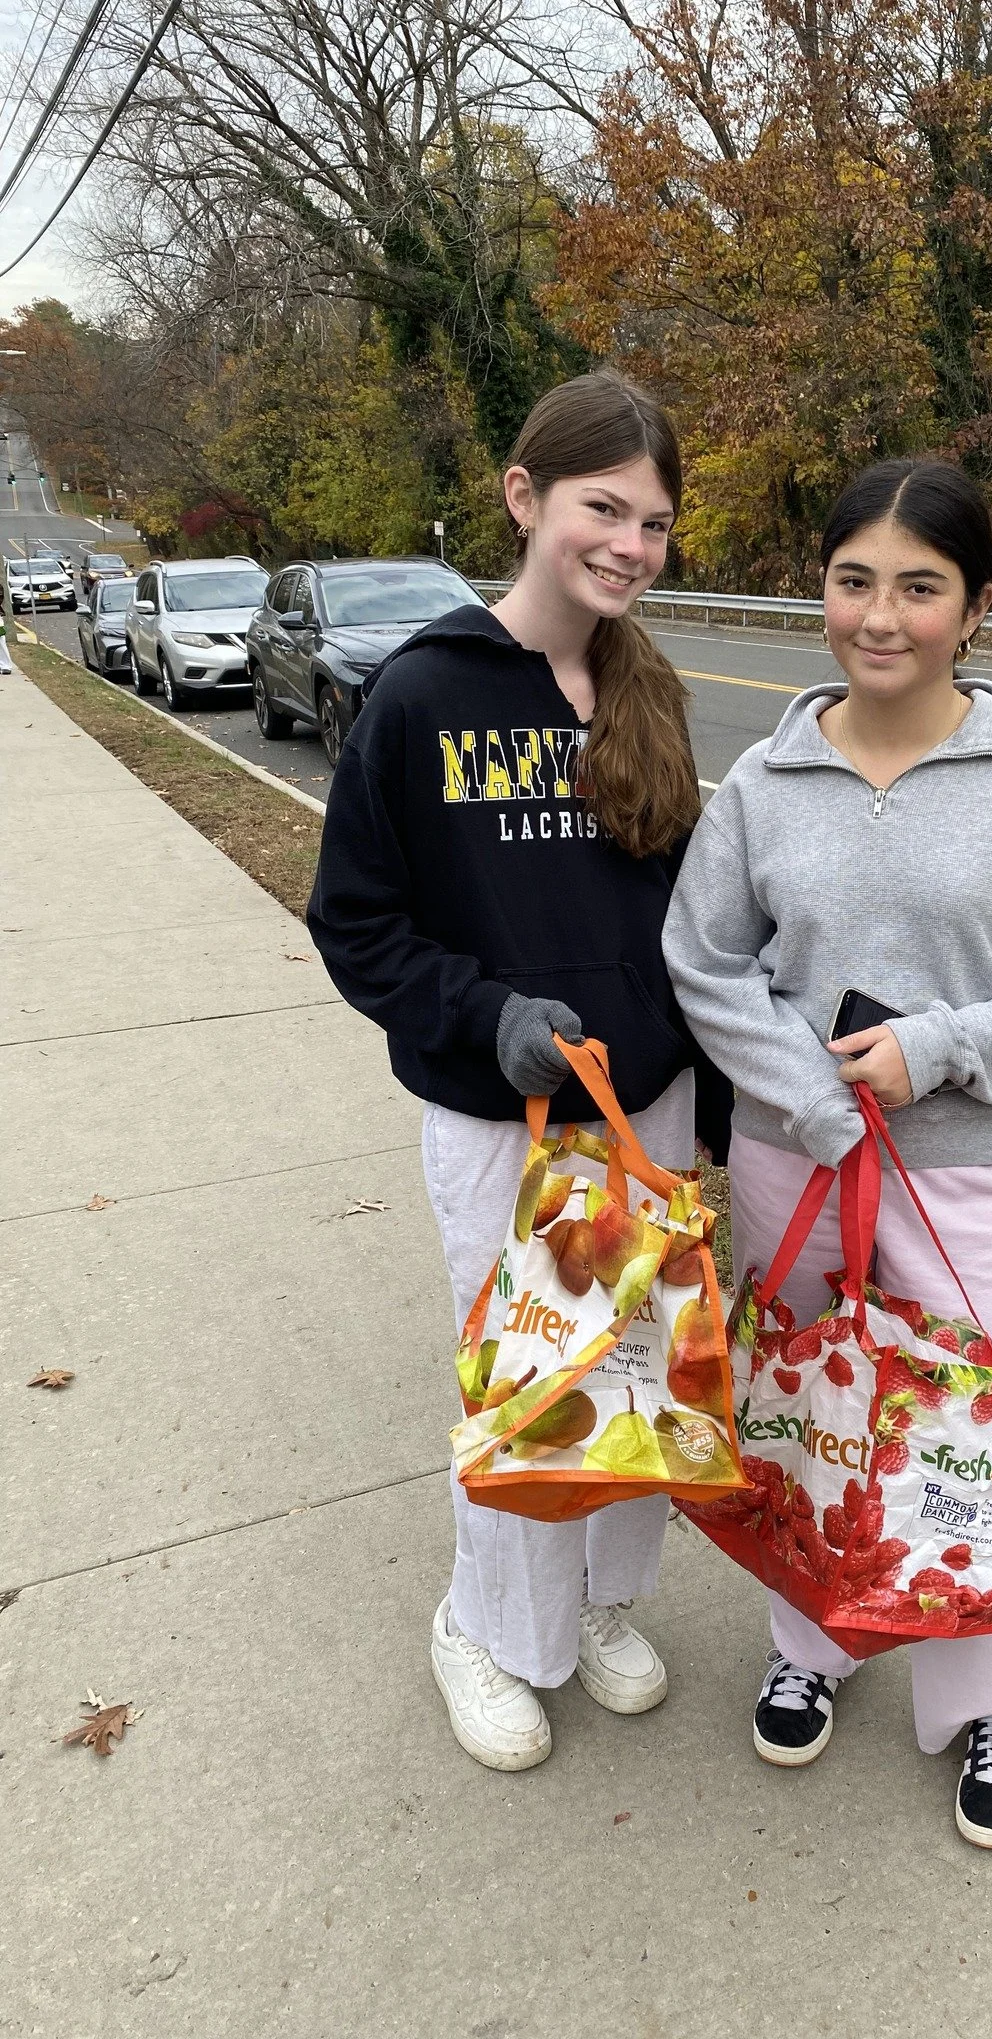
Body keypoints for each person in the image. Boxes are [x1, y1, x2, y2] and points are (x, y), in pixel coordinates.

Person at [663, 457, 992, 1849]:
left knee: (968, 1434)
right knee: (806, 1407)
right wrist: (809, 1103)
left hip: (964, 1170)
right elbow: (706, 962)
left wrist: (935, 1051)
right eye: (853, 580)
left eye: (919, 587)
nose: (881, 616)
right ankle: (811, 1641)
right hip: (790, 1163)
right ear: (821, 591)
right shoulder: (765, 779)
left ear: (976, 607)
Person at [308, 370, 727, 1774]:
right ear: (524, 498)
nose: (628, 544)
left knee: (639, 1377)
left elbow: (691, 931)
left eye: (655, 522)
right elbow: (355, 923)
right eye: (603, 508)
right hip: (508, 1118)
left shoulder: (643, 691)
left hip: (643, 1108)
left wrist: (715, 1086)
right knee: (533, 1381)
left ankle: (603, 1609)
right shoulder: (422, 694)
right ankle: (483, 1628)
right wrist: (482, 1012)